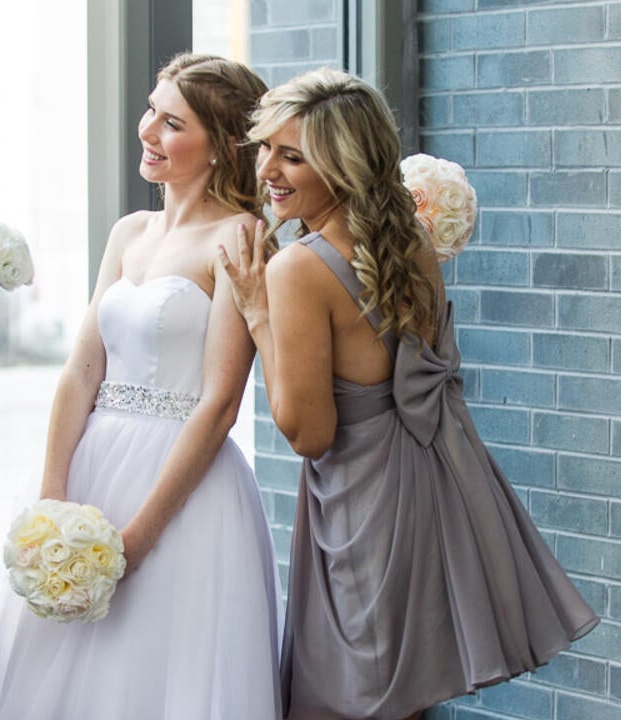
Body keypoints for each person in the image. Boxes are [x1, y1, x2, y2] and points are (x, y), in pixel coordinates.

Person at [220, 68, 600, 720]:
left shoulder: (296, 270)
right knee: (403, 700)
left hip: (363, 508)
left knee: (344, 699)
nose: (269, 171)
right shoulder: (413, 244)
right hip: (431, 486)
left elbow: (309, 434)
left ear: (343, 164)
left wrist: (256, 312)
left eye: (293, 155)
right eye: (265, 148)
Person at [0, 53, 281, 720]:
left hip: (181, 494)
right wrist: (53, 498)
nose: (147, 130)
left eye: (171, 122)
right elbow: (83, 369)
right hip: (91, 471)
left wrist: (136, 540)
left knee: (151, 678)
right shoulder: (129, 233)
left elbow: (220, 404)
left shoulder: (240, 237)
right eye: (151, 109)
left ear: (226, 143)